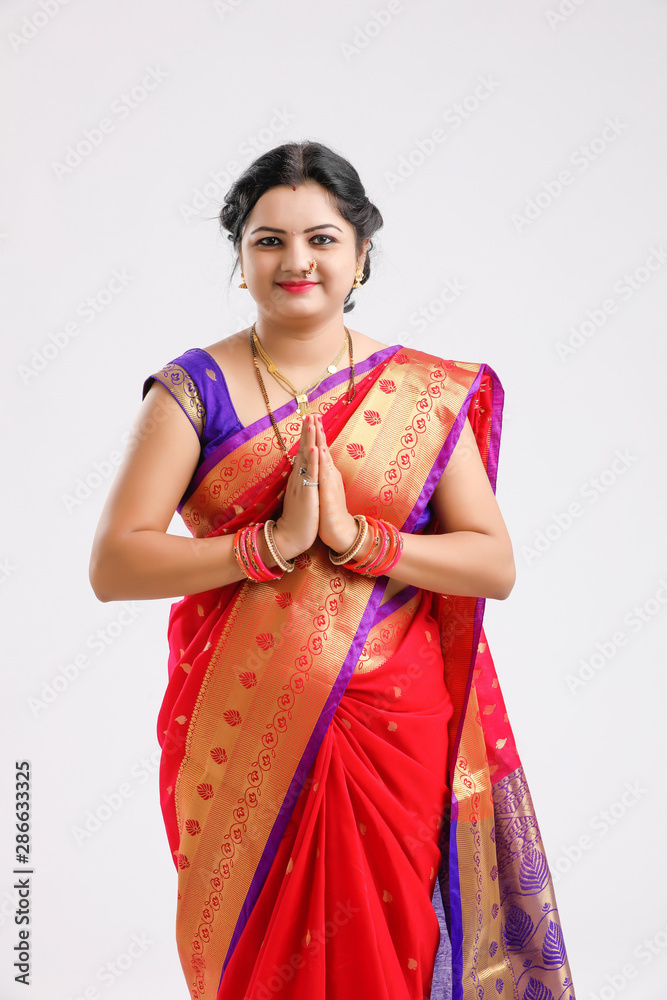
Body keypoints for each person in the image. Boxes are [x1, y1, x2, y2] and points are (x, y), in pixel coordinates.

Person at [89, 140, 576, 1000]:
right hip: (238, 725)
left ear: (359, 258)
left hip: (394, 724)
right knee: (254, 955)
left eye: (320, 239)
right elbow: (116, 563)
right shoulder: (191, 391)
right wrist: (263, 548)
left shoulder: (422, 392)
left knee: (388, 945)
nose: (295, 260)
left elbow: (491, 564)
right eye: (267, 240)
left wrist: (363, 542)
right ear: (239, 262)